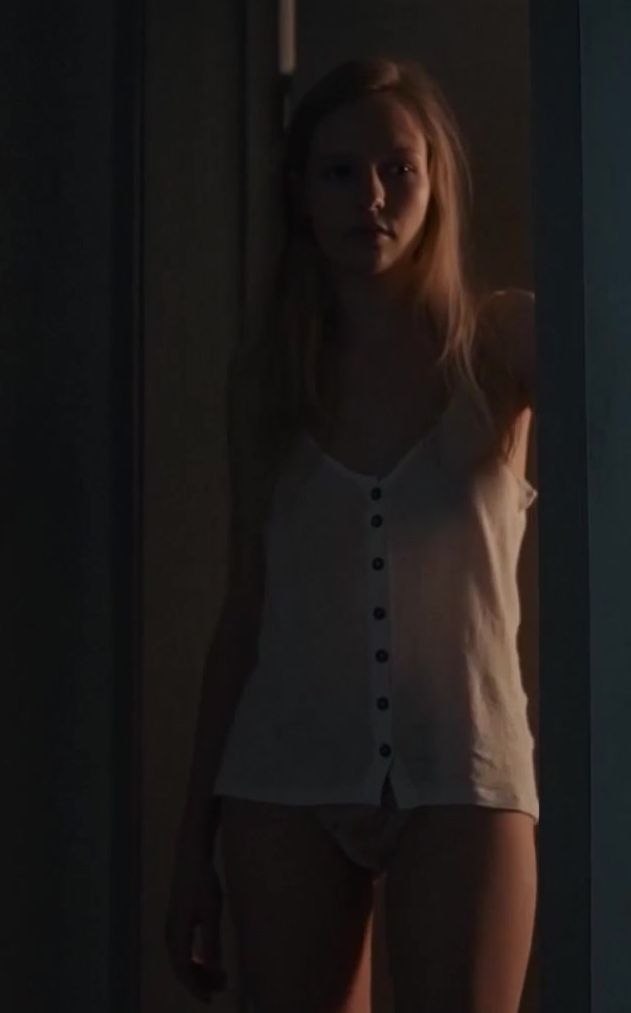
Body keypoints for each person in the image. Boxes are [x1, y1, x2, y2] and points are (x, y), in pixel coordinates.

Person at [165, 55, 539, 1013]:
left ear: (433, 182)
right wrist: (190, 846)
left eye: (395, 169)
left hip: (461, 765)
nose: (368, 197)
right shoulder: (269, 380)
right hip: (283, 772)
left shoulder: (496, 348)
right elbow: (244, 613)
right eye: (338, 172)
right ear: (299, 190)